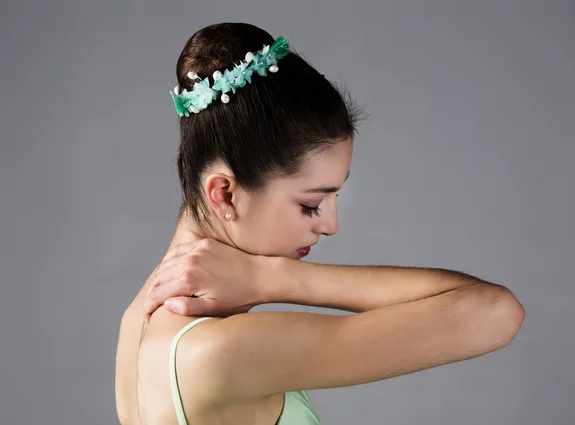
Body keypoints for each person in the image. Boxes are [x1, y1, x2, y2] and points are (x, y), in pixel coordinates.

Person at [115, 22, 525, 425]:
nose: (331, 225)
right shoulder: (221, 350)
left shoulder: (138, 319)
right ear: (224, 193)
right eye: (311, 205)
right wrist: (274, 278)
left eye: (336, 196)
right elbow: (495, 311)